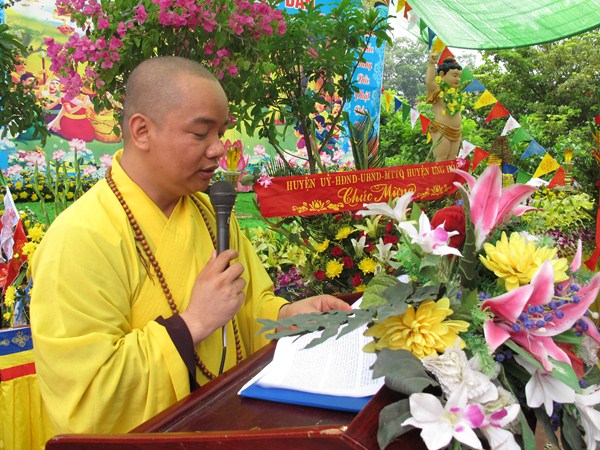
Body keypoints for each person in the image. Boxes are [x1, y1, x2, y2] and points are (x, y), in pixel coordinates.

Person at [30, 56, 351, 437]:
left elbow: (247, 309)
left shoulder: (211, 213)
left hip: (227, 422)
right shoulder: (80, 238)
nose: (218, 150)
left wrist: (287, 317)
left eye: (221, 133)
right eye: (201, 134)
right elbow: (90, 397)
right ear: (142, 131)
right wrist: (193, 322)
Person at [425, 53, 464, 161]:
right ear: (442, 75)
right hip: (441, 130)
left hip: (456, 132)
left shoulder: (456, 95)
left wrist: (460, 134)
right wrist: (431, 64)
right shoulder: (437, 89)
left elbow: (457, 114)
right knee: (441, 158)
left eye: (459, 76)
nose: (458, 79)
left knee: (452, 159)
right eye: (454, 75)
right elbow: (429, 81)